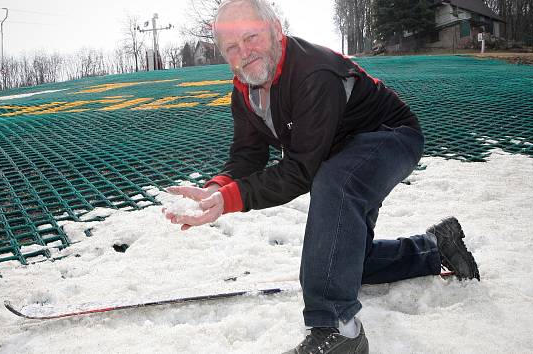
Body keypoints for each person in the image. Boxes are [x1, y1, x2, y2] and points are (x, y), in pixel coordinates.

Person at [163, 0, 480, 352]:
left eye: (251, 37)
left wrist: (232, 200)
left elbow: (301, 170)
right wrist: (217, 190)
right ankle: (435, 249)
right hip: (338, 152)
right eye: (232, 47)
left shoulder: (313, 73)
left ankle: (338, 329)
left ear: (276, 31)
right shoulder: (244, 92)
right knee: (335, 265)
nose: (244, 52)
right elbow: (248, 155)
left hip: (390, 136)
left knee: (334, 185)